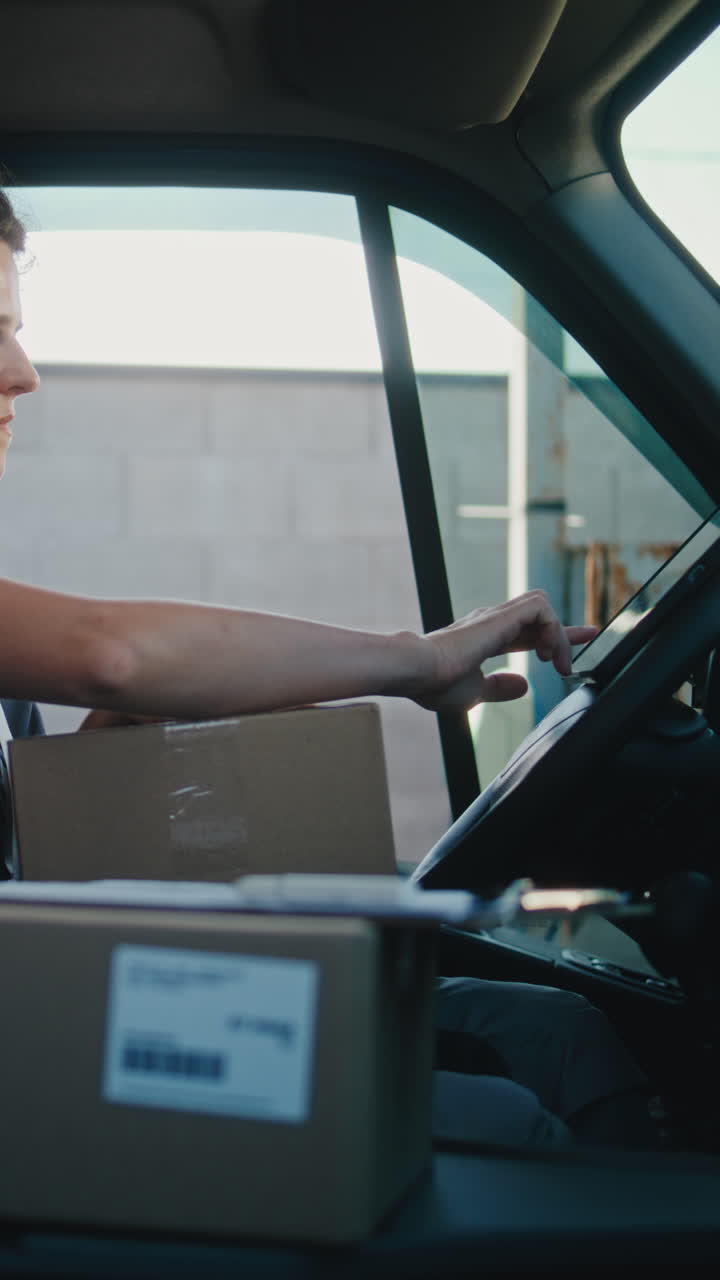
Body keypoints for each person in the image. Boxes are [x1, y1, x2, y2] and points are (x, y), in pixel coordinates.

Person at [0, 188, 655, 1149]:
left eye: (17, 330)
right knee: (516, 1113)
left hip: (50, 1006)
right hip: (39, 1051)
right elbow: (113, 654)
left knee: (555, 1035)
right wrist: (416, 662)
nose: (25, 373)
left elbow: (38, 842)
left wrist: (112, 756)